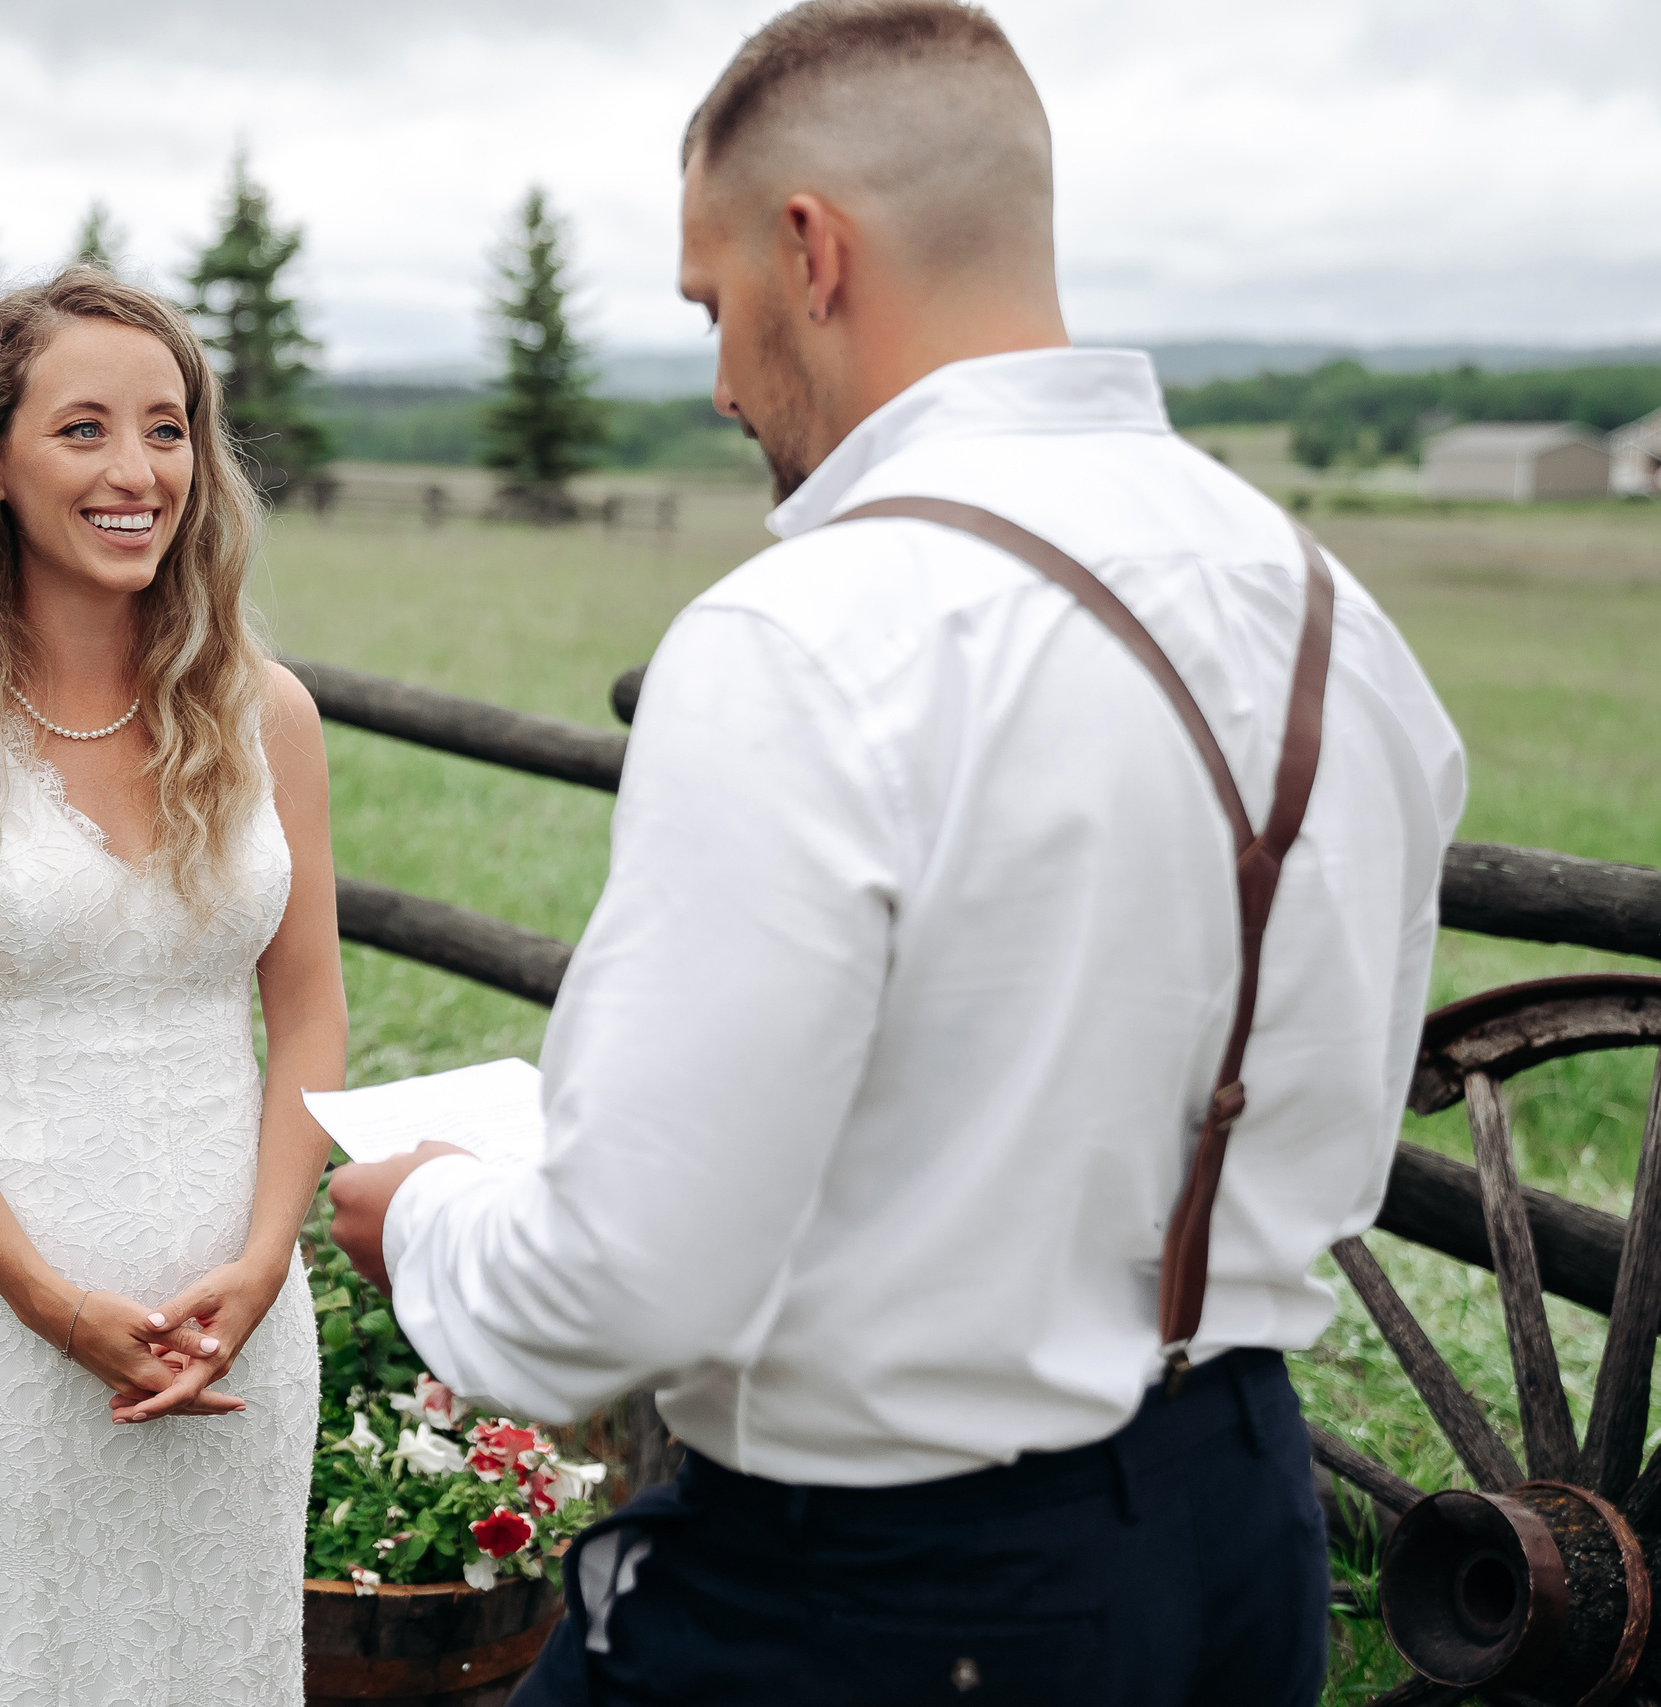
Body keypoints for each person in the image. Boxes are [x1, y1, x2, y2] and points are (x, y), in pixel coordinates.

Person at [328, 4, 1464, 1703]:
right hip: (1242, 1534)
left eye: (715, 306)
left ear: (813, 250)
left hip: (877, 1594)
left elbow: (619, 1284)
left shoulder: (808, 634)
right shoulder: (1327, 618)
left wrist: (418, 1219)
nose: (718, 382)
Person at [0, 266, 348, 1705]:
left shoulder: (265, 714)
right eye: (83, 428)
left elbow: (309, 1016)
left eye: (168, 430)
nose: (136, 471)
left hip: (231, 1328)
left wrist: (270, 1254)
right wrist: (45, 1299)